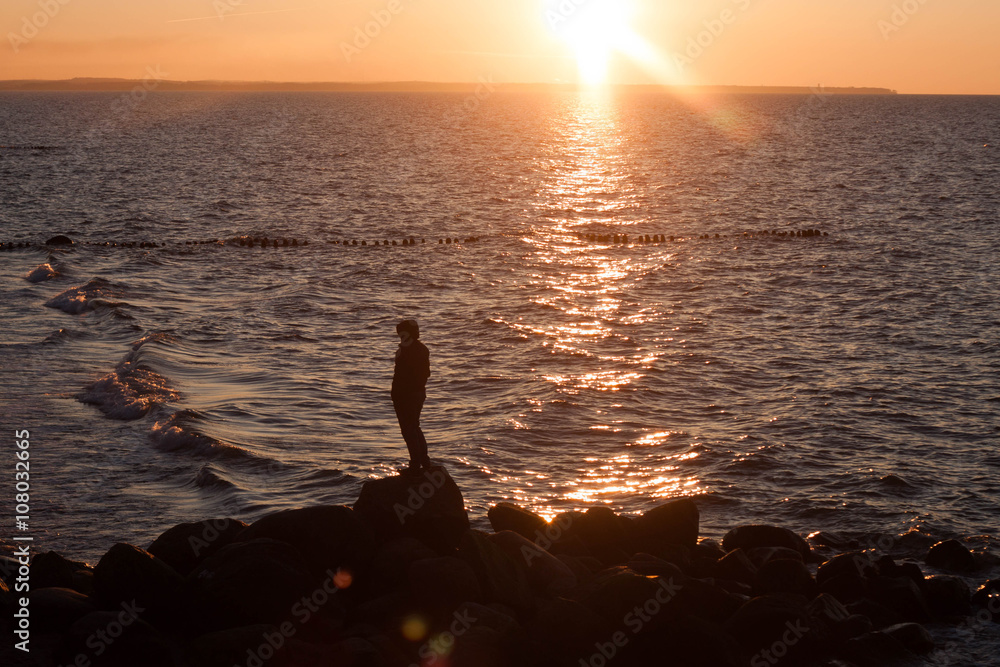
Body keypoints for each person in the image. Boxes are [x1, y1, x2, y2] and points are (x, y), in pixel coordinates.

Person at [392, 319, 431, 470]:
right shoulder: (421, 349)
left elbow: (407, 375)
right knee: (414, 427)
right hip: (416, 393)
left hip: (406, 395)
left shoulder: (408, 350)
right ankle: (424, 461)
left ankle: (416, 465)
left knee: (408, 430)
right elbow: (425, 374)